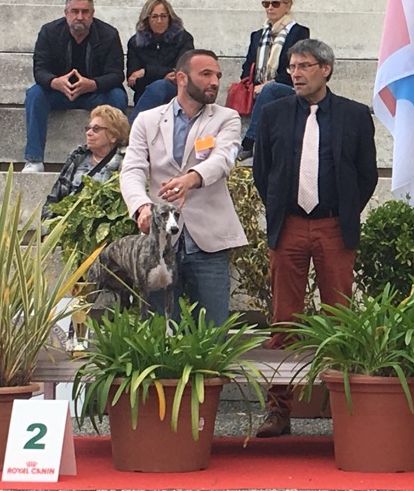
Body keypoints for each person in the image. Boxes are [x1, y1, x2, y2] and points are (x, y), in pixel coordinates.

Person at [253, 38, 378, 437]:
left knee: (339, 316)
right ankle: (279, 409)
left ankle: (343, 404)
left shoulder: (355, 115)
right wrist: (279, 212)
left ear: (326, 69)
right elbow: (263, 173)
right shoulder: (272, 114)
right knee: (283, 321)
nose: (296, 73)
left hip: (332, 224)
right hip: (289, 224)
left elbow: (366, 175)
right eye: (292, 66)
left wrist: (343, 213)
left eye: (305, 66)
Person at [120, 49, 247, 327]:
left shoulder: (227, 117)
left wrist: (190, 179)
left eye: (217, 75)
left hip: (209, 240)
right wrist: (141, 207)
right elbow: (131, 169)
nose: (214, 81)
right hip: (159, 240)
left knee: (214, 334)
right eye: (206, 74)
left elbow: (223, 160)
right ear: (181, 78)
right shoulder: (147, 119)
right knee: (158, 333)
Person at [23, 0, 127, 173]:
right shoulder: (49, 32)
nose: (80, 17)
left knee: (117, 96)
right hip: (59, 93)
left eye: (85, 12)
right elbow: (40, 70)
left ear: (92, 14)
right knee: (35, 94)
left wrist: (92, 85)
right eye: (75, 11)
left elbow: (117, 74)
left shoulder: (109, 34)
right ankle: (34, 160)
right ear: (66, 13)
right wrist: (55, 82)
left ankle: (115, 156)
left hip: (95, 94)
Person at [236, 0, 310, 161]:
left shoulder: (299, 32)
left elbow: (297, 67)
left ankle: (249, 141)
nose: (270, 7)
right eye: (266, 3)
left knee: (270, 90)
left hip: (288, 87)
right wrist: (248, 84)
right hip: (259, 89)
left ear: (288, 5)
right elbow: (248, 64)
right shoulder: (257, 35)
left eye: (275, 3)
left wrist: (268, 84)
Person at [41, 105, 130, 220]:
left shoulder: (126, 160)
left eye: (96, 129)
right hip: (66, 227)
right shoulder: (78, 157)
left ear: (113, 136)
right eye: (88, 128)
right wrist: (46, 233)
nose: (89, 133)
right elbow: (54, 200)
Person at [126, 0, 194, 124]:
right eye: (155, 17)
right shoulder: (135, 43)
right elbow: (133, 81)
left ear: (170, 18)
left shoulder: (183, 39)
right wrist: (163, 74)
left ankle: (129, 132)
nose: (159, 21)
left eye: (163, 16)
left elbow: (181, 73)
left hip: (176, 93)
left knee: (161, 86)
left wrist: (146, 72)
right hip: (144, 95)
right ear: (147, 19)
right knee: (157, 87)